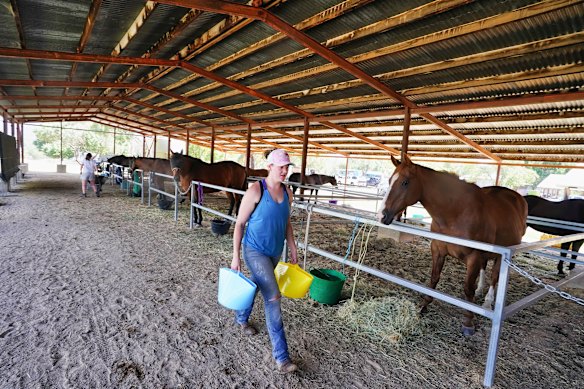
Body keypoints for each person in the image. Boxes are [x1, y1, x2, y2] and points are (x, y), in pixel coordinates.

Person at [231, 148, 299, 374]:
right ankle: (282, 358)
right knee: (273, 296)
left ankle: (241, 317)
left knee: (258, 283)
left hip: (274, 252)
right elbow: (240, 224)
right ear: (270, 166)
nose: (285, 171)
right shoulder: (255, 190)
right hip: (254, 251)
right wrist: (236, 256)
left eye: (287, 167)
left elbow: (286, 222)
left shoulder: (288, 193)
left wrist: (292, 247)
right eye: (281, 167)